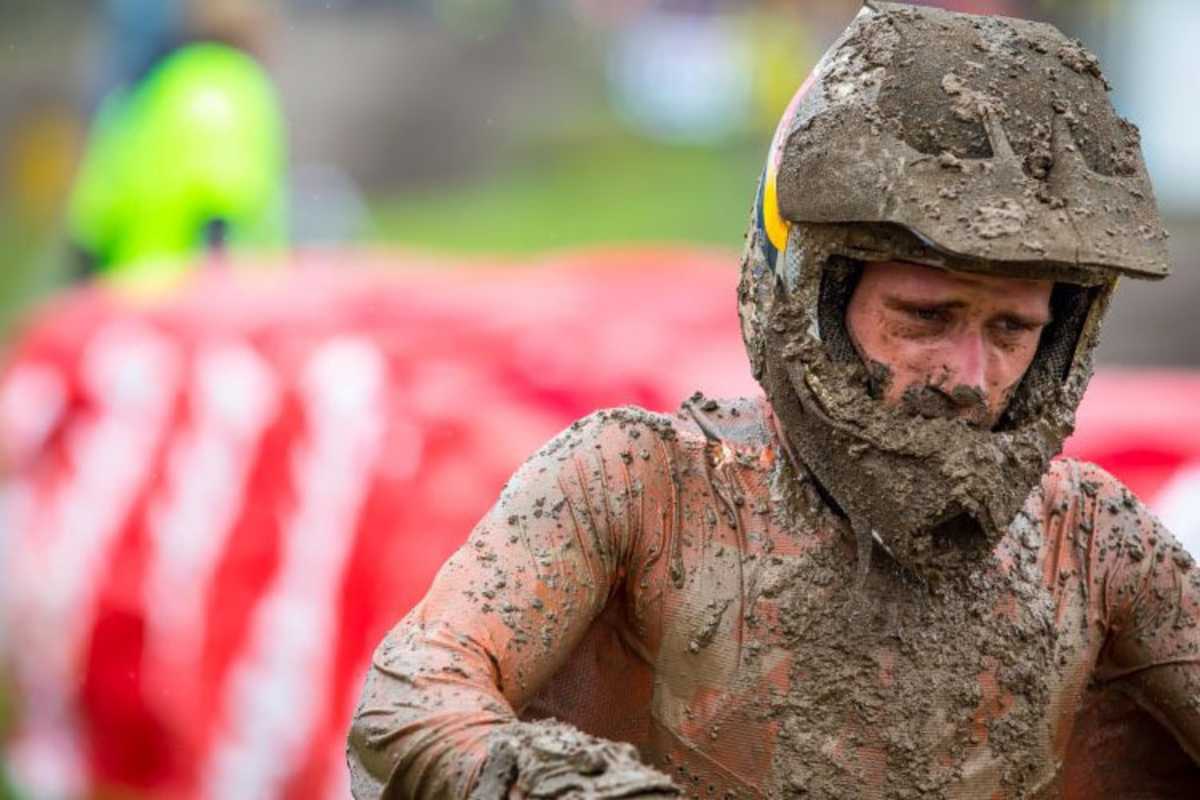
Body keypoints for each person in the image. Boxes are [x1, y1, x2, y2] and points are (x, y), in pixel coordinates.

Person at [347, 3, 1200, 798]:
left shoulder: (1092, 545)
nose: (969, 375)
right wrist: (576, 785)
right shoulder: (640, 487)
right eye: (925, 317)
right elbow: (405, 699)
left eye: (1013, 330)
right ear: (811, 300)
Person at [66, 5, 287, 292]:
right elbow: (223, 198)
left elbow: (93, 219)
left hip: (128, 293)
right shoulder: (233, 85)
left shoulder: (148, 90)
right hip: (195, 301)